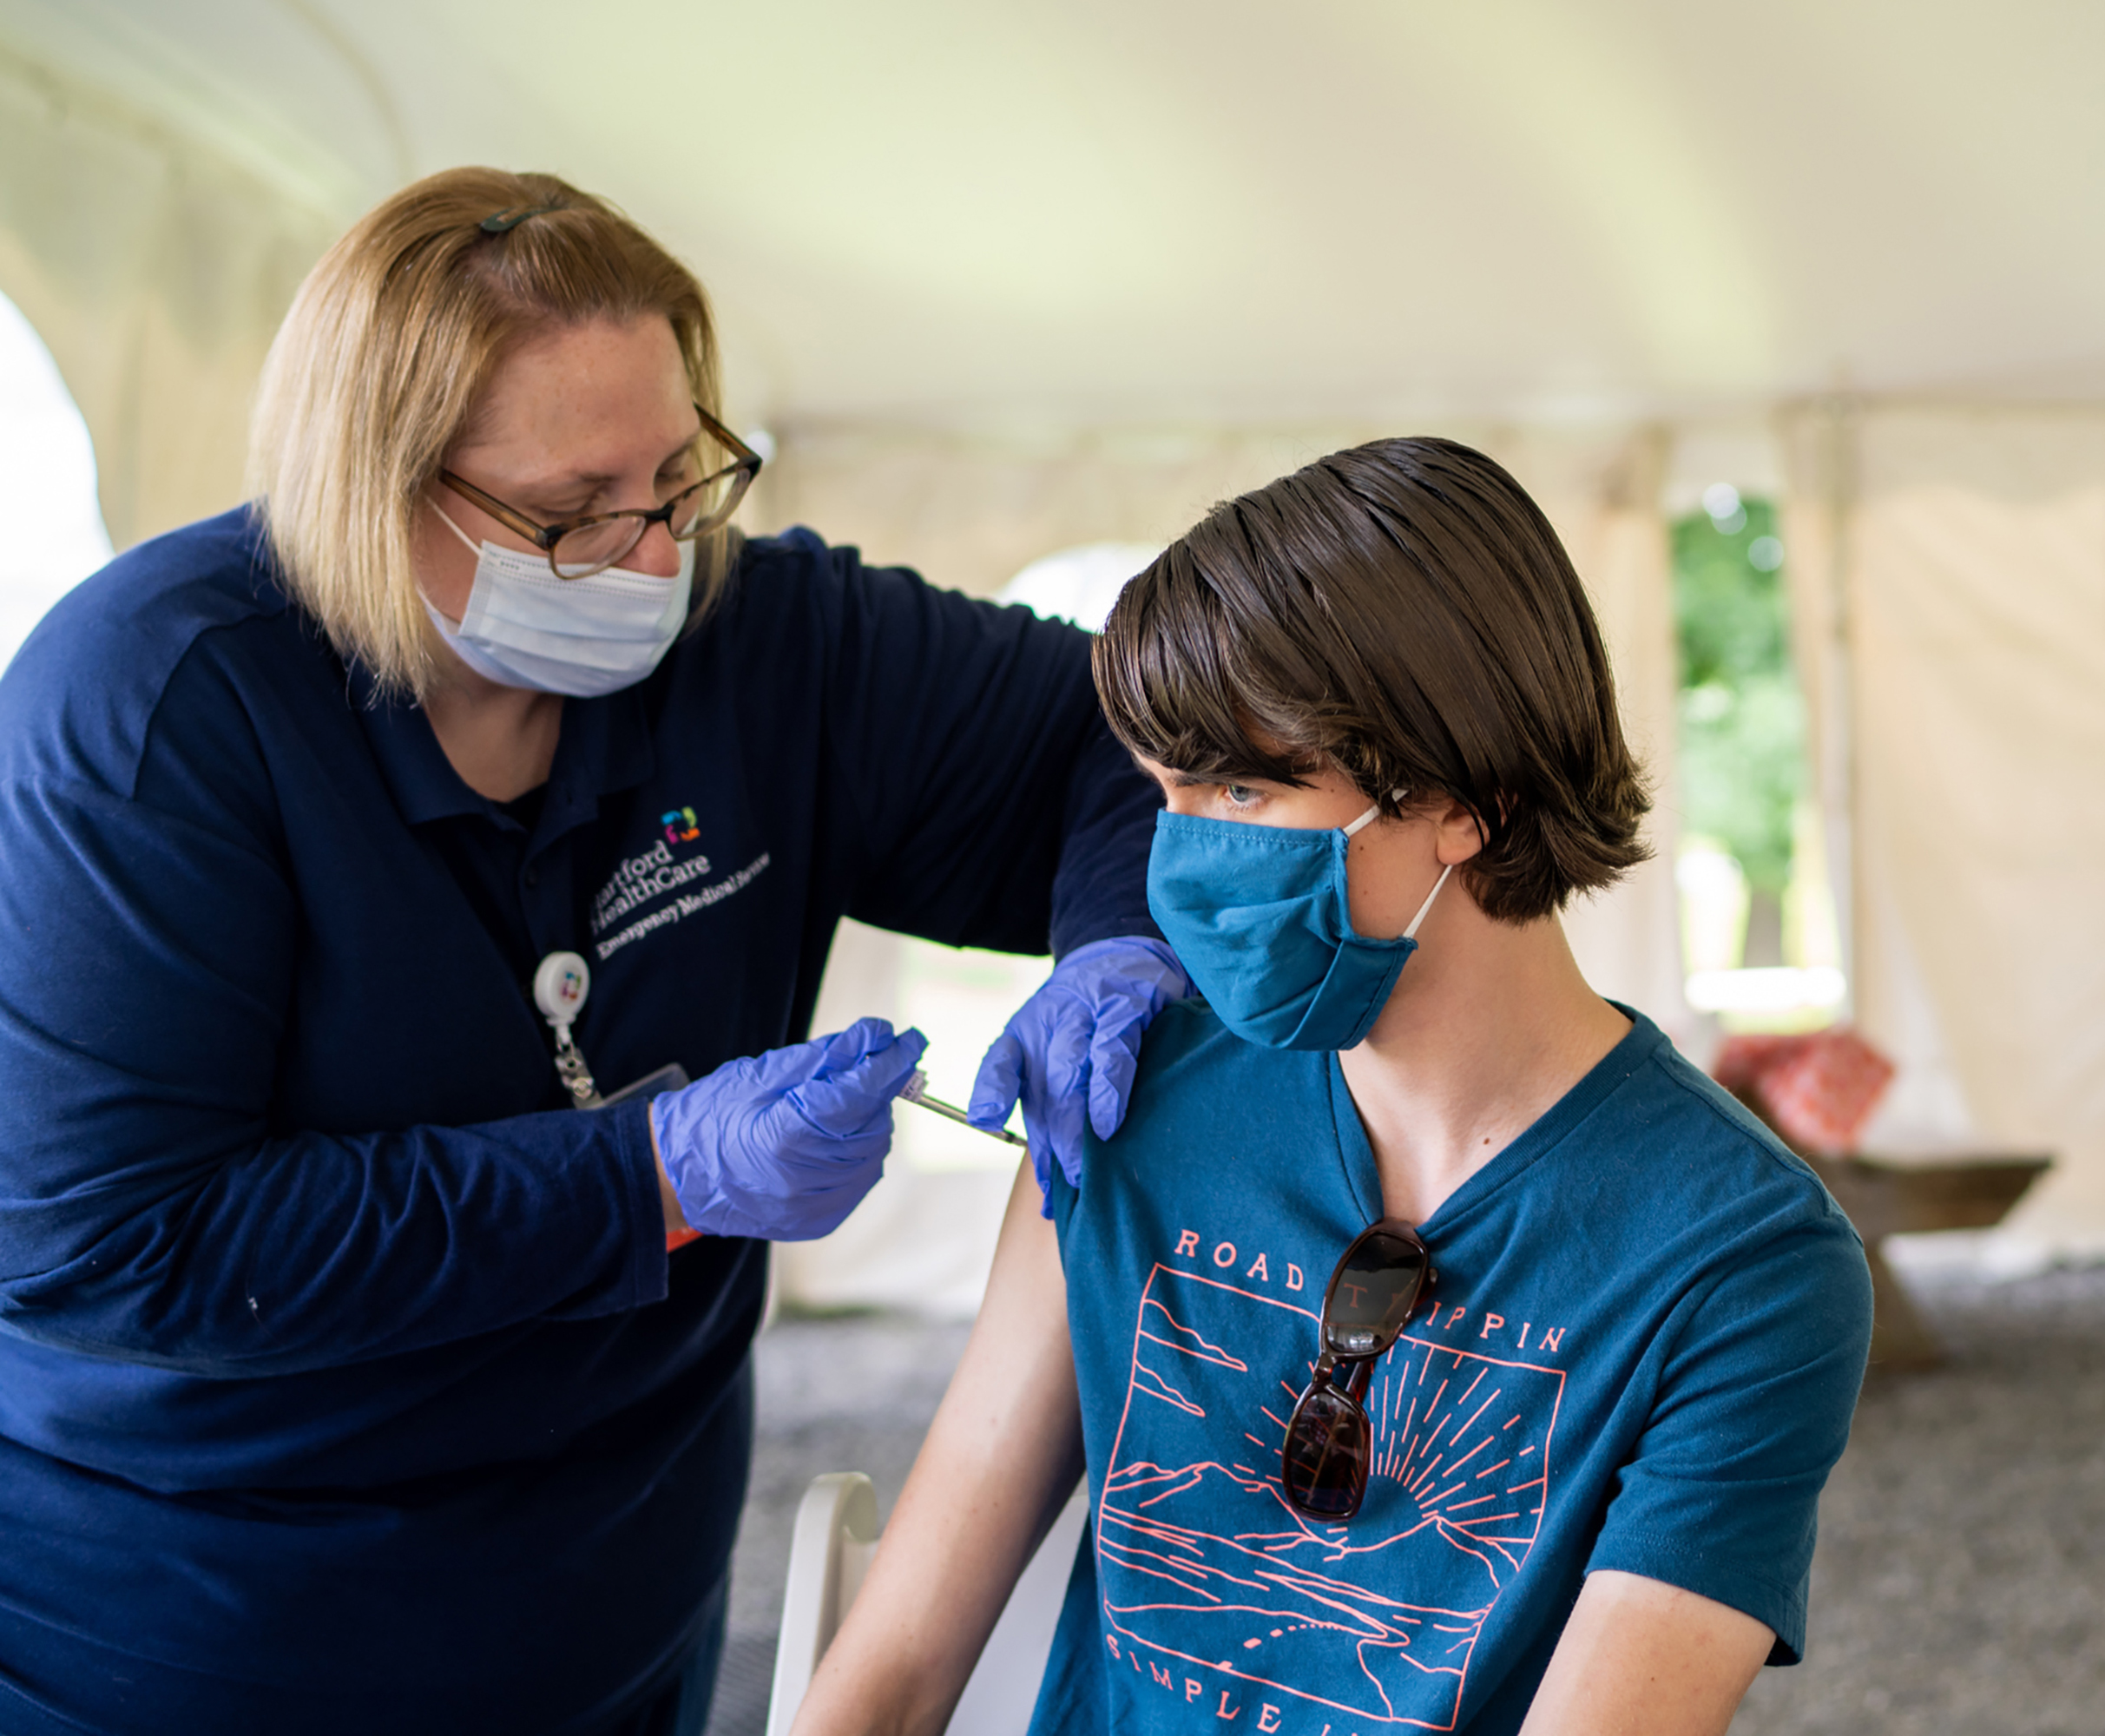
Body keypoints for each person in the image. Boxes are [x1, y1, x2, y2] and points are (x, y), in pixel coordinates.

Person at [0, 168, 1185, 1736]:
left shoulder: (764, 642)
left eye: (679, 482)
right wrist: (649, 1179)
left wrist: (1115, 943)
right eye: (568, 519)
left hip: (625, 1594)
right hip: (212, 1622)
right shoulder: (154, 712)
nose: (649, 565)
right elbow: (108, 1244)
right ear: (374, 488)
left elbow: (1128, 731)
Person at [793, 437, 1874, 1736]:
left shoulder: (1741, 1265)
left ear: (1472, 796)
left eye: (1241, 787)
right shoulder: (1118, 1104)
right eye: (1163, 795)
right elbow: (898, 1663)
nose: (1181, 856)